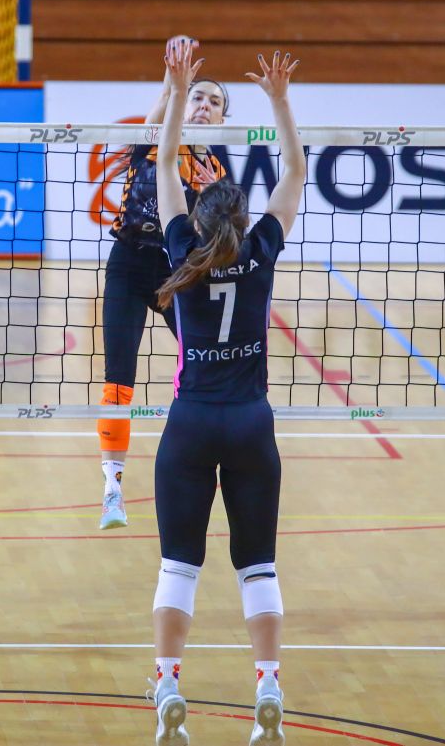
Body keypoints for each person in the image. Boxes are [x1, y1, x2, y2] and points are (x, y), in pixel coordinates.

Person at [146, 41, 303, 746]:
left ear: (199, 218)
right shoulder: (262, 250)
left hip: (190, 423)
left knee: (179, 563)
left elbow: (163, 163)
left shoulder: (182, 249)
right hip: (251, 425)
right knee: (257, 564)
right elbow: (294, 171)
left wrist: (180, 92)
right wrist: (279, 101)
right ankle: (268, 684)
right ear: (242, 221)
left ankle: (168, 682)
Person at [96, 34, 231, 530]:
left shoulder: (217, 176)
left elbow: (224, 244)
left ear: (223, 121)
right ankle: (112, 490)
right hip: (129, 264)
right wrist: (175, 82)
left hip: (179, 273)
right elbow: (162, 115)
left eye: (214, 102)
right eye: (198, 97)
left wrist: (216, 213)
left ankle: (211, 456)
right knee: (118, 379)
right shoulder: (154, 143)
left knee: (209, 363)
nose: (203, 106)